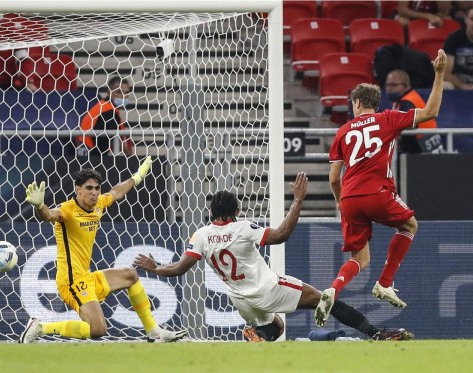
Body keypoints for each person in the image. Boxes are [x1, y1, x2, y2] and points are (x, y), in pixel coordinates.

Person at [134, 174, 413, 342]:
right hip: (268, 288)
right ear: (235, 209)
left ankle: (257, 338)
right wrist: (298, 201)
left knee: (276, 328)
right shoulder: (242, 228)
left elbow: (179, 269)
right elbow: (281, 235)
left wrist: (154, 267)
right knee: (327, 300)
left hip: (240, 299)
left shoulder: (202, 235)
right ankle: (377, 334)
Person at [315, 50, 447, 327]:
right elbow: (431, 111)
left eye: (352, 103)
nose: (352, 108)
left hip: (350, 198)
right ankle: (385, 283)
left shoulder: (343, 131)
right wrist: (439, 74)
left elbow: (332, 177)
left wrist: (340, 201)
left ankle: (333, 289)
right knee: (409, 225)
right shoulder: (388, 118)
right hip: (377, 193)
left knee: (359, 258)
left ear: (359, 102)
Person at [20, 156, 188, 343]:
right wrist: (40, 205)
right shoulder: (68, 210)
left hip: (86, 276)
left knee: (130, 275)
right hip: (71, 282)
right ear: (78, 190)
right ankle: (40, 327)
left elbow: (117, 192)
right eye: (89, 188)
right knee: (97, 329)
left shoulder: (99, 204)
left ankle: (154, 332)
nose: (94, 193)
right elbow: (49, 215)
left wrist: (137, 177)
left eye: (97, 188)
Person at [385, 69, 443, 153]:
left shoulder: (408, 102)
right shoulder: (408, 97)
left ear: (406, 85)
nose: (389, 89)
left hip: (420, 148)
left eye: (394, 85)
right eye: (387, 85)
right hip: (430, 143)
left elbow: (407, 125)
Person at [77, 76, 134, 156]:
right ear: (109, 92)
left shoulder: (104, 106)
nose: (123, 96)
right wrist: (130, 157)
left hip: (85, 152)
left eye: (126, 93)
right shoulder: (109, 112)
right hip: (91, 156)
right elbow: (115, 142)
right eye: (119, 92)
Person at [443, 7, 473, 90]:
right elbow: (446, 73)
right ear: (466, 19)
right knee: (444, 85)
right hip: (458, 84)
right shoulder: (454, 38)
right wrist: (464, 86)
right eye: (472, 19)